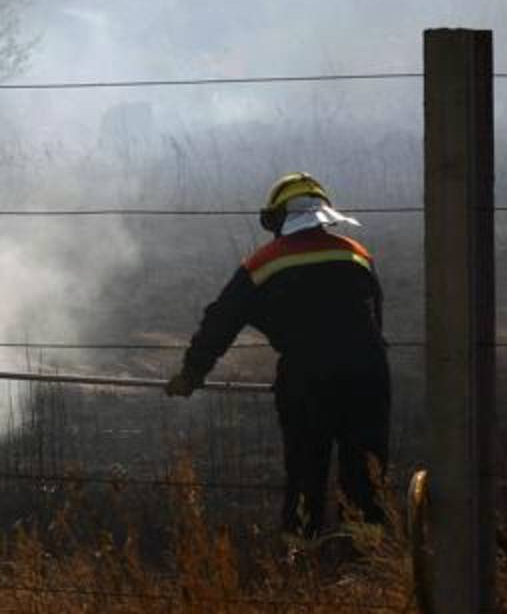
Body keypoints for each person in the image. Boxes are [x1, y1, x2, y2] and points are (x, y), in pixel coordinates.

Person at [165, 172, 390, 538]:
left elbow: (219, 321)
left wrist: (192, 374)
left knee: (305, 475)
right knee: (367, 480)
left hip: (308, 379)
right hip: (369, 374)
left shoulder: (263, 263)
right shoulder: (357, 253)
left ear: (276, 219)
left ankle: (300, 562)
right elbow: (377, 316)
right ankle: (370, 570)